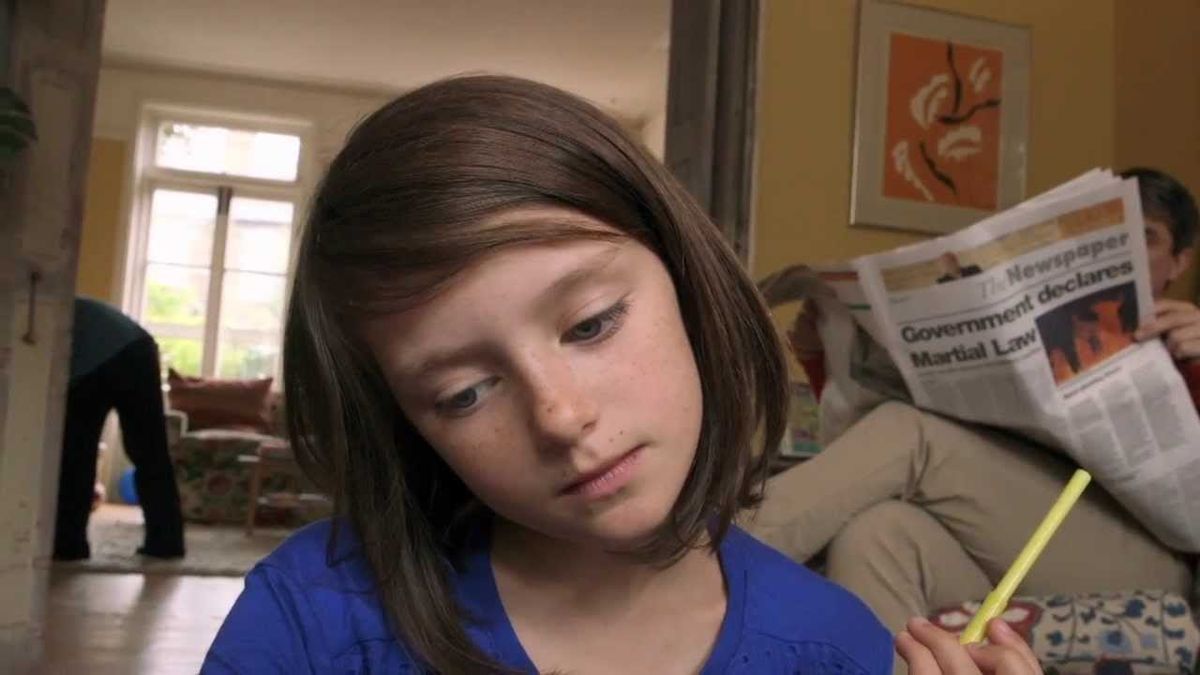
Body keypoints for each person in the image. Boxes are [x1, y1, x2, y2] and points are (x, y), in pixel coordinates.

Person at [201, 76, 1040, 674]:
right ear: (406, 424)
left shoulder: (835, 643)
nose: (560, 415)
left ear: (685, 277)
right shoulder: (309, 618)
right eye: (462, 393)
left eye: (593, 324)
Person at [751, 167, 1200, 651]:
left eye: (1148, 236)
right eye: (1117, 232)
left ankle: (705, 561)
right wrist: (824, 352)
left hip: (1154, 559)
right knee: (877, 534)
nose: (1131, 244)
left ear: (1179, 261)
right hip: (1025, 532)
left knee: (911, 435)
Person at [55, 297, 185, 560]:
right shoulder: (49, 296)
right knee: (150, 451)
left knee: (77, 455)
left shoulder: (33, 302)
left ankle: (69, 544)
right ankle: (167, 542)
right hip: (138, 347)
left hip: (104, 359)